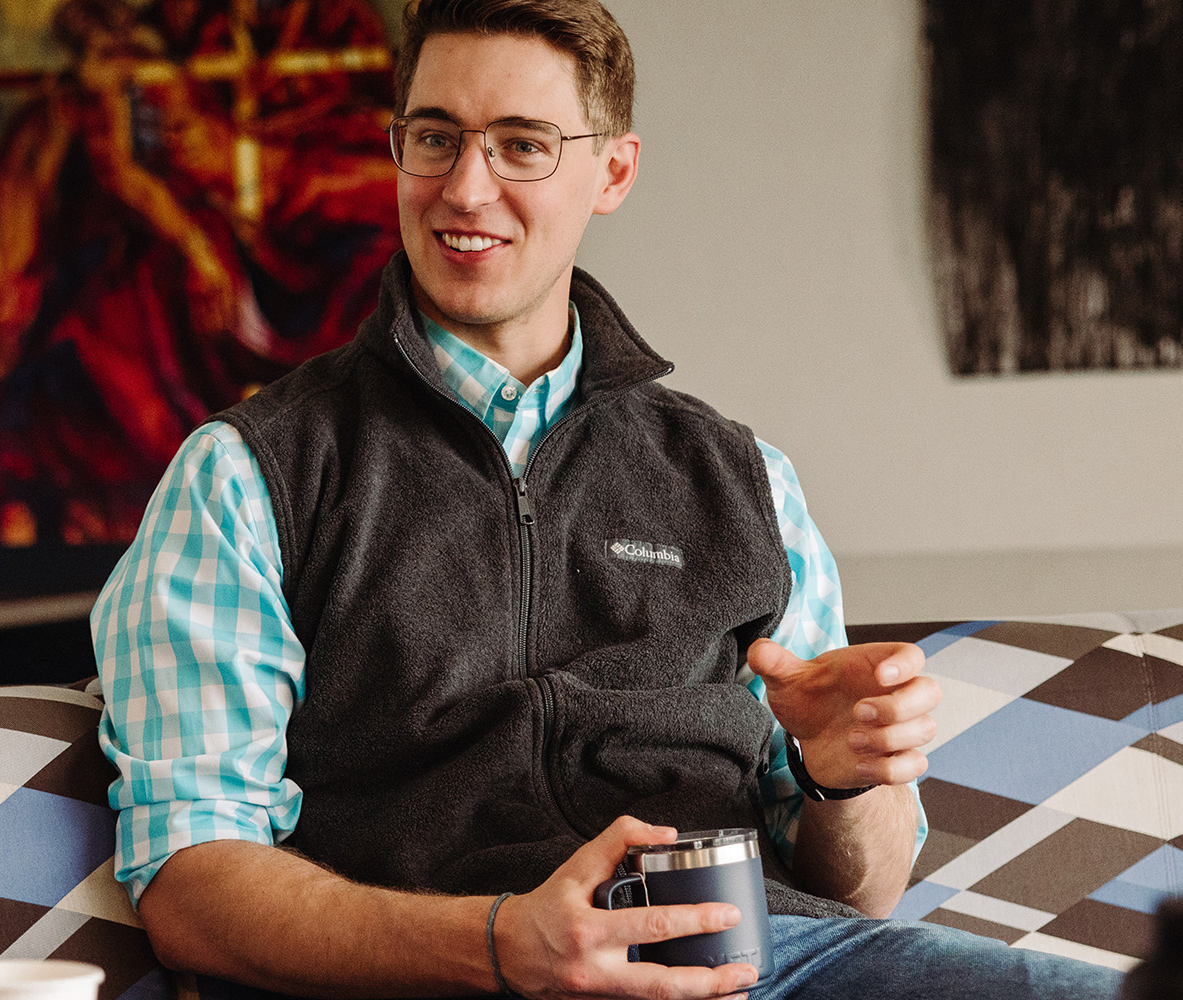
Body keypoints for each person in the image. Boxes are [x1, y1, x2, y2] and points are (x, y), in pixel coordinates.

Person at [89, 1, 1122, 997]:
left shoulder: (738, 475)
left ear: (611, 170)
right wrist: (503, 944)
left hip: (772, 963)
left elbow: (860, 889)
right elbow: (190, 884)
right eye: (435, 137)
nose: (466, 188)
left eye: (522, 144)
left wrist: (844, 778)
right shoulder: (248, 474)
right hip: (445, 980)